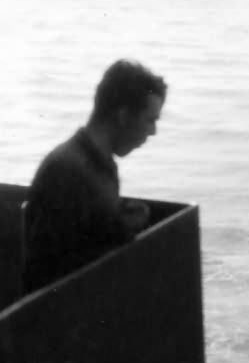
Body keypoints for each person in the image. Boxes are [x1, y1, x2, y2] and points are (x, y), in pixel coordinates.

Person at [23, 59, 168, 294]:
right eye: (150, 120)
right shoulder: (67, 170)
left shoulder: (99, 163)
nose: (153, 132)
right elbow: (51, 270)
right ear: (123, 116)